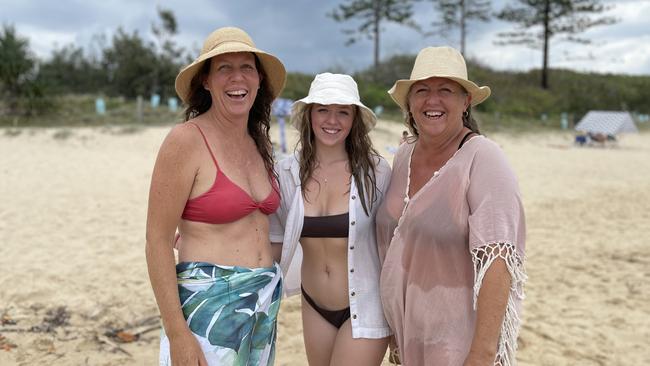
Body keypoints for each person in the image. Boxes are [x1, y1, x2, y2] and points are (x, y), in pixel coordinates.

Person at [376, 46, 527, 365]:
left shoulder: (483, 158)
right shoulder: (404, 155)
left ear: (466, 100)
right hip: (410, 339)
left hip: (460, 346)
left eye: (445, 90)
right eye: (422, 91)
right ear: (409, 102)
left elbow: (498, 261)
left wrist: (481, 354)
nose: (432, 100)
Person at [145, 26, 286, 366]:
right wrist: (178, 333)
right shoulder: (186, 141)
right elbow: (157, 241)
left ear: (258, 80)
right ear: (206, 81)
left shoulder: (260, 143)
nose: (237, 78)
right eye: (224, 68)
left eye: (247, 67)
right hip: (207, 311)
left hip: (263, 306)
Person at [270, 73, 391, 365]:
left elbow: (393, 240)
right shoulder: (286, 173)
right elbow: (273, 240)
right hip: (312, 304)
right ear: (310, 115)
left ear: (355, 119)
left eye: (343, 112)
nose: (332, 120)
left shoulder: (376, 172)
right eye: (323, 109)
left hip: (364, 302)